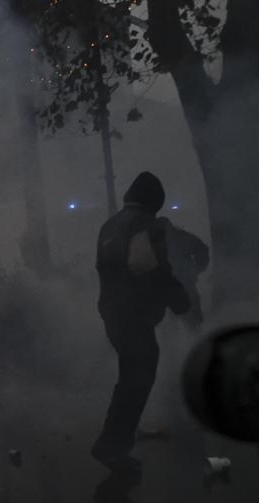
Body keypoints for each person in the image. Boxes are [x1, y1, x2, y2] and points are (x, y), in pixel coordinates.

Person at [93, 172, 190, 476]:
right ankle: (112, 446)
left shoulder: (110, 225)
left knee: (132, 378)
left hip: (113, 313)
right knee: (136, 380)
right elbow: (152, 271)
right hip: (132, 315)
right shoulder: (146, 226)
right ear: (153, 201)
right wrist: (180, 301)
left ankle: (113, 444)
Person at [162, 219, 209, 331]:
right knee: (169, 324)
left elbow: (201, 249)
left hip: (184, 283)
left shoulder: (181, 238)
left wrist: (198, 268)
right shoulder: (156, 240)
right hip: (166, 286)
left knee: (191, 319)